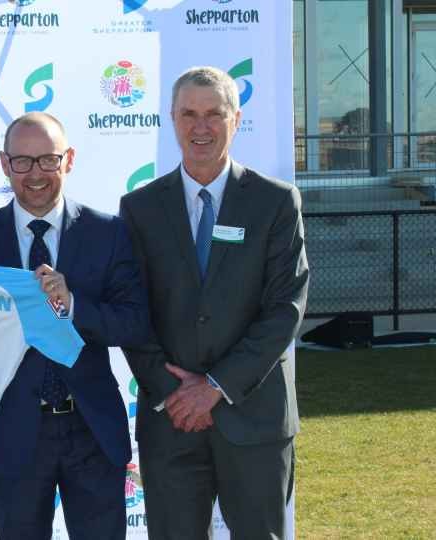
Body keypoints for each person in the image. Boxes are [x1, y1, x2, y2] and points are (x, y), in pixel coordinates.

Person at [119, 66, 310, 539]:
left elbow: (284, 308)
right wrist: (176, 392)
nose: (200, 127)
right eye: (188, 114)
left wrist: (215, 387)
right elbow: (131, 312)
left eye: (214, 114)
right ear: (172, 118)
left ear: (236, 119)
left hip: (255, 419)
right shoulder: (140, 209)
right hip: (172, 421)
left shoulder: (275, 202)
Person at [0, 112, 150, 540]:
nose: (35, 174)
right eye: (22, 161)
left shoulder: (108, 233)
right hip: (14, 432)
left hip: (92, 430)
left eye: (47, 160)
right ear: (4, 164)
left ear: (68, 160)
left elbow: (132, 324)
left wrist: (73, 305)